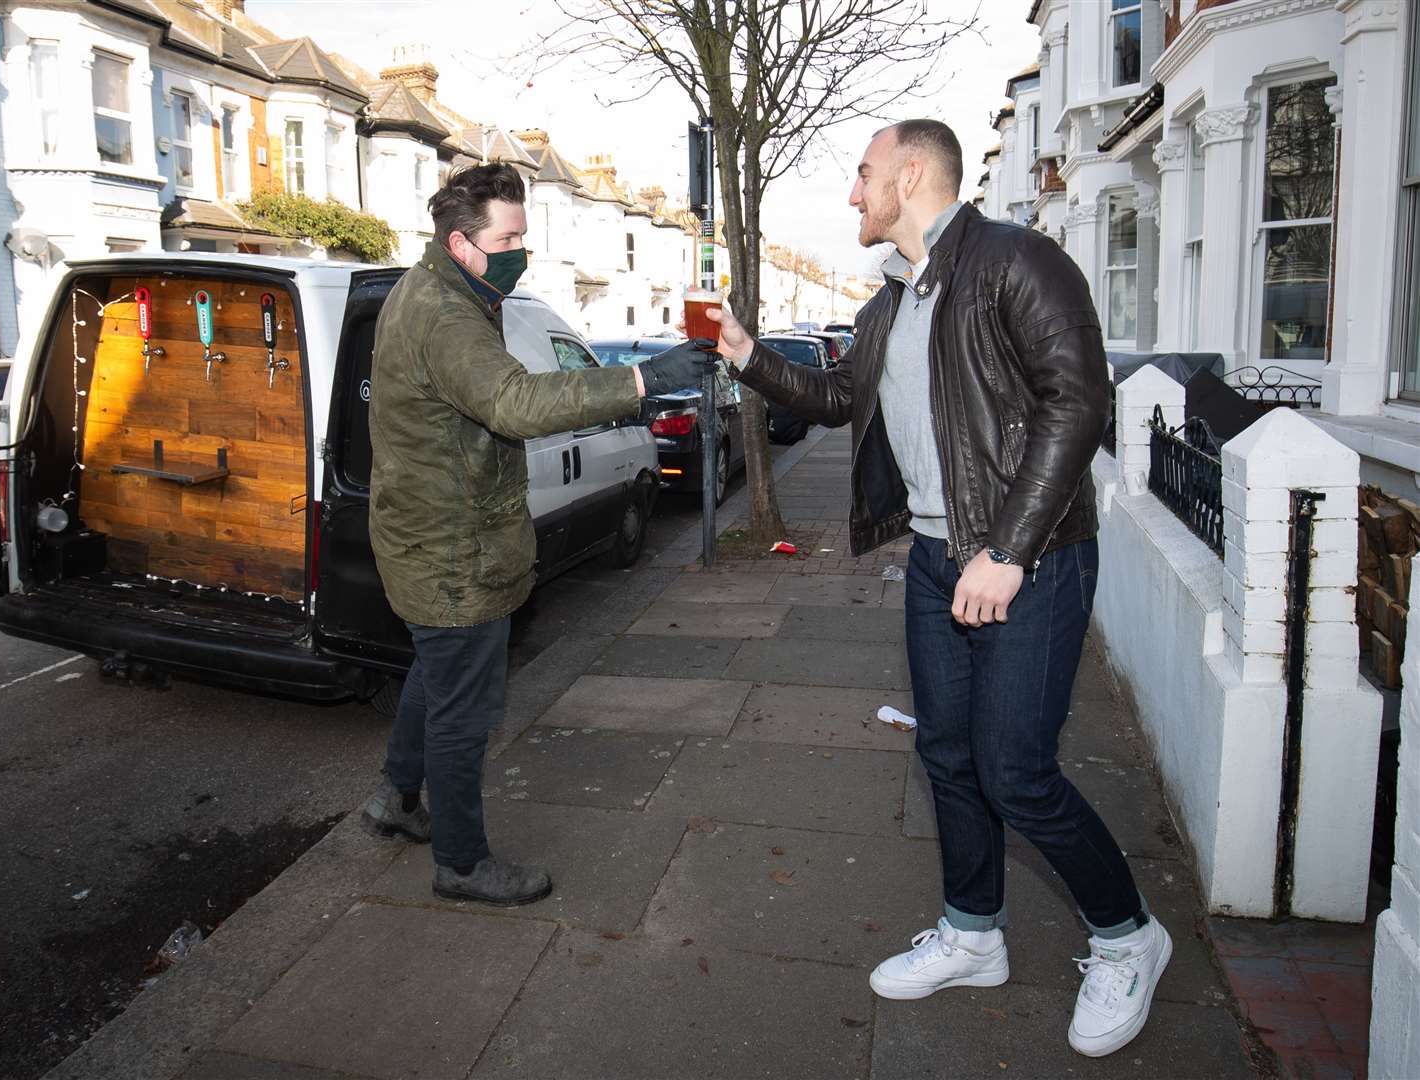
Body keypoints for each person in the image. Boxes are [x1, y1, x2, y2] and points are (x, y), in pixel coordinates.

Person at [702, 120, 1170, 1058]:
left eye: (863, 175)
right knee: (948, 758)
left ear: (910, 173)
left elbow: (1078, 403)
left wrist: (1009, 549)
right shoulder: (891, 305)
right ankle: (973, 932)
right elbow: (842, 400)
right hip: (930, 564)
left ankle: (1128, 936)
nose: (852, 194)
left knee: (1018, 775)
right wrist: (749, 353)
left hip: (1026, 565)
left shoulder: (1017, 261)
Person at [360, 162, 713, 906]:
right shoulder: (445, 313)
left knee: (434, 671)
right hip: (453, 548)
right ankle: (460, 863)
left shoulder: (447, 290)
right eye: (511, 236)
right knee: (464, 709)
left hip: (430, 535)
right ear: (461, 244)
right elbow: (515, 401)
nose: (523, 249)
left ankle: (395, 798)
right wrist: (644, 380)